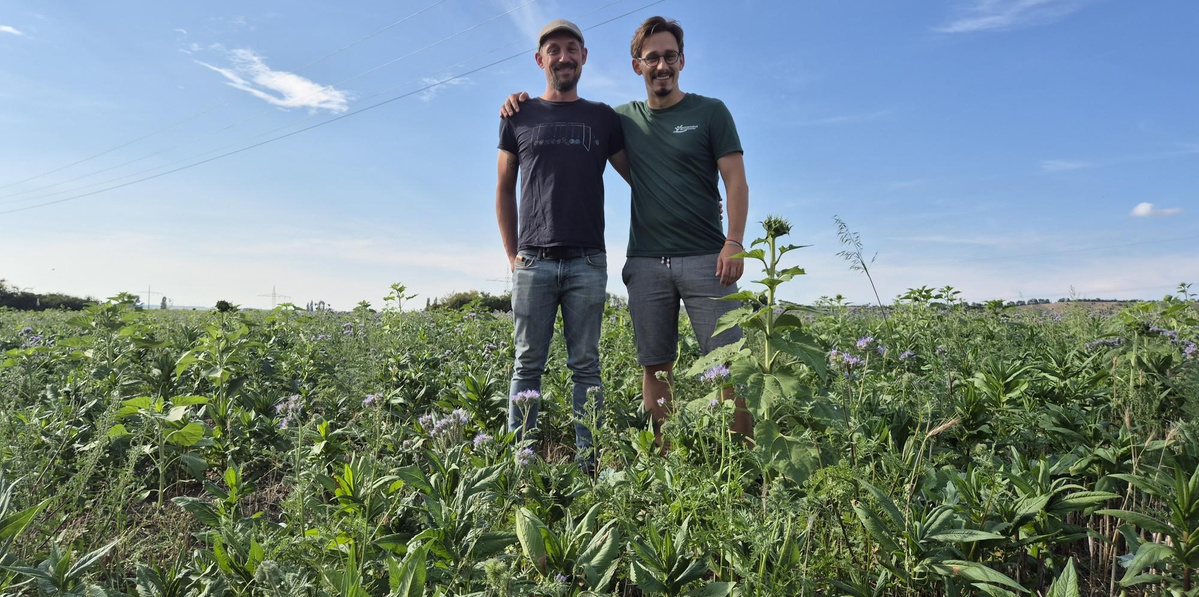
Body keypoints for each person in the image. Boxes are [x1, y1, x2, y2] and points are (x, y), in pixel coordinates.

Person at [501, 16, 752, 447]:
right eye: (652, 58)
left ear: (682, 60)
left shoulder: (703, 112)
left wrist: (734, 240)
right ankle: (664, 459)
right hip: (644, 262)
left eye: (669, 56)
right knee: (654, 366)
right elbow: (532, 159)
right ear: (637, 66)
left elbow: (734, 181)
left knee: (729, 362)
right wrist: (518, 101)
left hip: (705, 257)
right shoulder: (616, 119)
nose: (661, 65)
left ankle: (743, 462)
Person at [495, 19, 629, 470]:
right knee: (526, 365)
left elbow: (640, 176)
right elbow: (503, 187)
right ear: (540, 59)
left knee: (586, 366)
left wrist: (696, 196)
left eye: (572, 48)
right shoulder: (518, 115)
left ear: (584, 57)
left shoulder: (603, 118)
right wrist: (512, 255)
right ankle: (522, 465)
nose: (563, 57)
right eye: (554, 50)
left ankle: (588, 467)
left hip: (587, 261)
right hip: (533, 260)